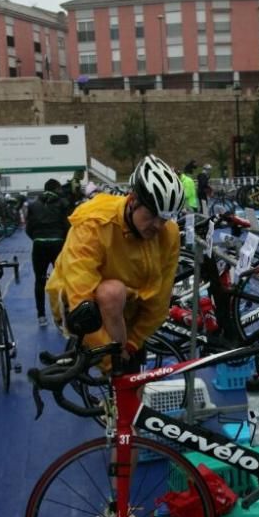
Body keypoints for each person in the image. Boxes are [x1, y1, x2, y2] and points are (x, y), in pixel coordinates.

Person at [46, 154, 183, 370]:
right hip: (79, 305)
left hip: (126, 310)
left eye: (164, 218)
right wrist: (113, 362)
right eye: (152, 215)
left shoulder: (169, 234)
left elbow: (159, 301)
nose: (157, 225)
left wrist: (132, 343)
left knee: (132, 384)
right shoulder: (94, 222)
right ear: (134, 200)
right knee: (111, 292)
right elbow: (79, 295)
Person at [26, 179, 70, 327]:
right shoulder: (63, 203)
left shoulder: (33, 205)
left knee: (39, 279)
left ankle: (41, 316)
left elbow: (28, 228)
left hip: (39, 245)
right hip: (57, 243)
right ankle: (64, 314)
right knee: (63, 279)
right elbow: (67, 226)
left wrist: (37, 238)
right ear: (56, 189)